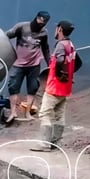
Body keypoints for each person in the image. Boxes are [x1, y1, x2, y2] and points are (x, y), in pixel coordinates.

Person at [31, 21, 77, 152]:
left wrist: (60, 74)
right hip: (65, 87)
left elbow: (60, 60)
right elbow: (77, 62)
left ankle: (44, 144)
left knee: (45, 113)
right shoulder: (70, 44)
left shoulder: (61, 45)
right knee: (59, 115)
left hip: (55, 86)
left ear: (60, 29)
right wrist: (68, 76)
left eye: (57, 28)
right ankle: (56, 143)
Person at [5, 11, 51, 121]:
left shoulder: (44, 32)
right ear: (37, 17)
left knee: (33, 88)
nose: (41, 23)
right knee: (13, 87)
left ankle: (27, 113)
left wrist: (50, 64)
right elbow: (6, 36)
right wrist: (8, 52)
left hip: (34, 64)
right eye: (40, 20)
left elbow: (45, 48)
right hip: (18, 63)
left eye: (44, 22)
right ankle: (13, 112)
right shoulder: (21, 27)